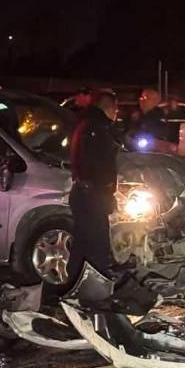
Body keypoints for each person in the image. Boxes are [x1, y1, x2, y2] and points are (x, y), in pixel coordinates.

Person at [68, 89, 121, 285]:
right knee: (97, 242)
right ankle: (96, 286)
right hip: (92, 194)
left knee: (83, 241)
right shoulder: (98, 130)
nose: (117, 114)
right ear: (109, 108)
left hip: (84, 193)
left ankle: (74, 284)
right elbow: (101, 165)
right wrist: (107, 193)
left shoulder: (85, 125)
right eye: (116, 110)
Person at [128, 87, 172, 151]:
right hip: (135, 149)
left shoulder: (159, 115)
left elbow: (161, 134)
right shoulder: (135, 115)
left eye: (146, 98)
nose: (142, 100)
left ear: (155, 101)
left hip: (153, 151)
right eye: (141, 97)